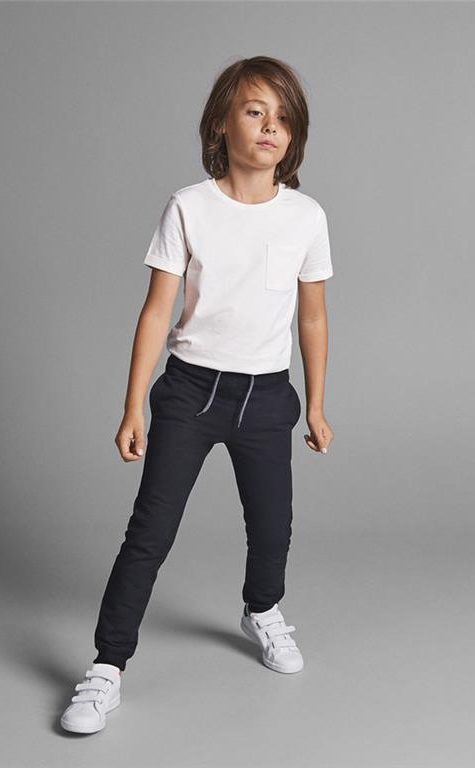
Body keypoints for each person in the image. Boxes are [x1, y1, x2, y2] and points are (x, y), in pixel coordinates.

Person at [60, 55, 334, 735]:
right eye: (254, 111)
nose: (269, 127)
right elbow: (157, 311)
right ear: (220, 123)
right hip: (191, 392)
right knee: (149, 533)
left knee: (273, 527)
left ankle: (262, 609)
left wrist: (317, 404)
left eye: (283, 118)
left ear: (294, 135)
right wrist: (132, 405)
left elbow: (313, 318)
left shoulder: (305, 217)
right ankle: (107, 666)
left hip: (267, 397)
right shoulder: (189, 207)